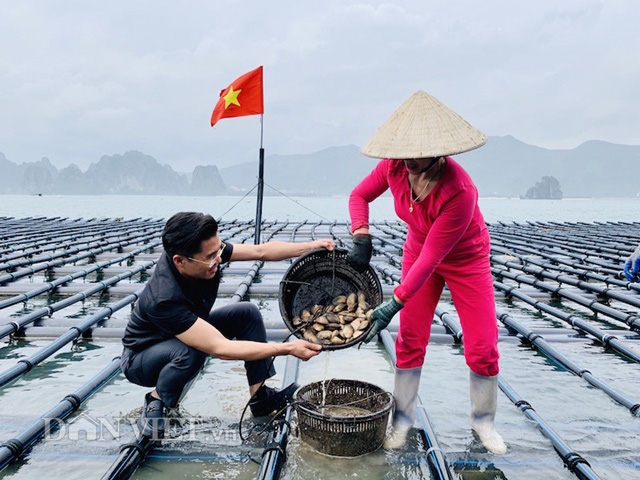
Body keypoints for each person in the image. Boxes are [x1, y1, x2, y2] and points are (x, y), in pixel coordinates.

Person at [347, 91, 506, 453]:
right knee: (410, 341)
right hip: (417, 251)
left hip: (466, 259)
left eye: (416, 154)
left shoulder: (460, 190)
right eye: (403, 153)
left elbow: (435, 256)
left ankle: (483, 424)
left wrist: (395, 301)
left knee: (483, 347)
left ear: (438, 151)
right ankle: (402, 422)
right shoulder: (393, 166)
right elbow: (359, 196)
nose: (407, 161)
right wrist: (361, 233)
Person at [121, 212, 334, 437]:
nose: (218, 260)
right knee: (189, 352)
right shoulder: (163, 298)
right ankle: (157, 401)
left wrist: (310, 246)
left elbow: (260, 251)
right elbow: (220, 348)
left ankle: (259, 397)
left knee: (246, 313)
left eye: (218, 251)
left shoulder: (202, 253)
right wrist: (288, 348)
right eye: (211, 257)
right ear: (179, 261)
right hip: (142, 360)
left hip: (180, 334)